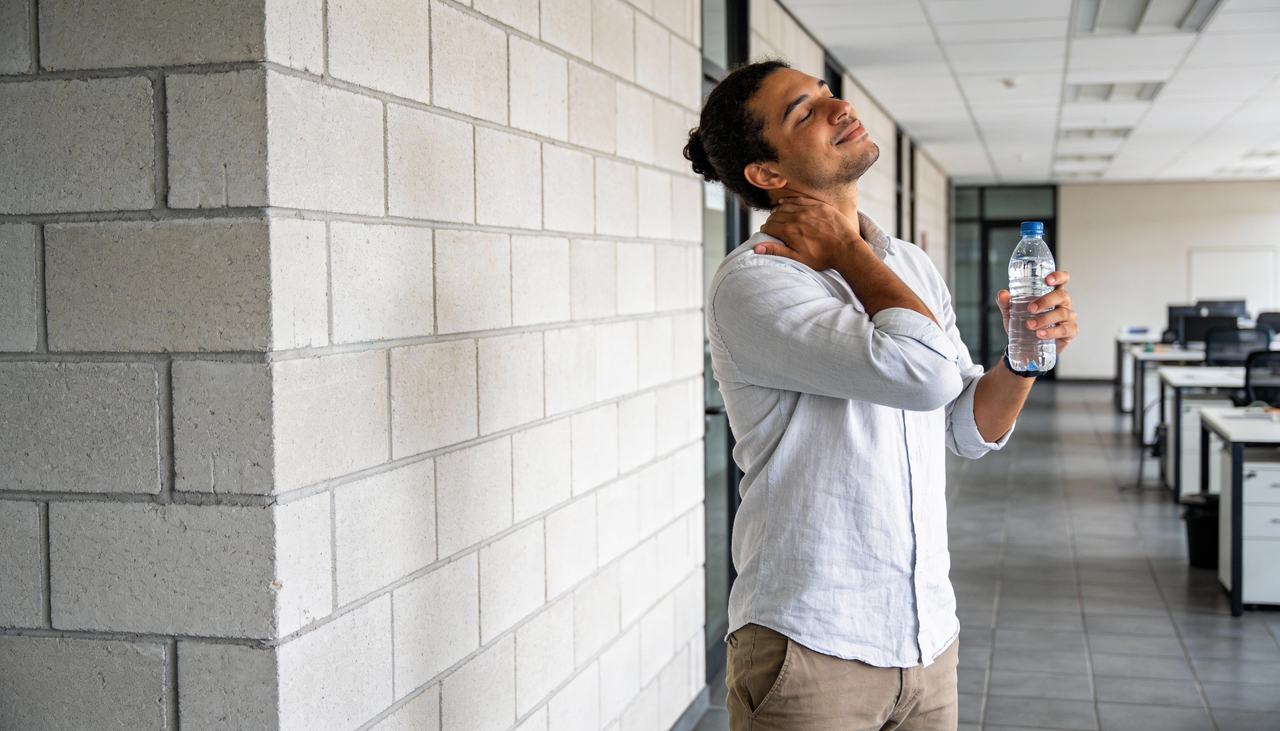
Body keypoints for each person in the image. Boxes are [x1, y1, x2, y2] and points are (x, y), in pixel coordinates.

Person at [684, 60, 1080, 730]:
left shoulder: (909, 266)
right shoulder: (755, 281)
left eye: (827, 93)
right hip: (811, 647)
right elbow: (924, 373)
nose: (838, 108)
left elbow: (963, 425)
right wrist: (844, 248)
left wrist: (1023, 357)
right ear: (768, 174)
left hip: (928, 638)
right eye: (803, 112)